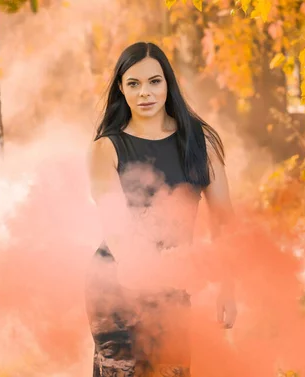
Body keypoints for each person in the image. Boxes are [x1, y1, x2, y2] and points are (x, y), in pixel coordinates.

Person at [86, 41, 237, 377]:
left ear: (168, 84)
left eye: (155, 81)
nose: (145, 93)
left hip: (173, 286)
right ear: (121, 90)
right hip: (116, 286)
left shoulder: (200, 143)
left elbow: (224, 219)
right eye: (134, 84)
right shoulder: (106, 148)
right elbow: (117, 228)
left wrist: (229, 286)